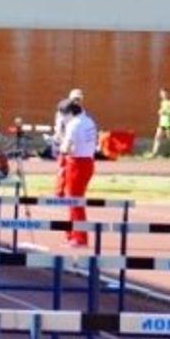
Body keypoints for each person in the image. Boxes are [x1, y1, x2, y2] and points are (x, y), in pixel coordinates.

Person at [60, 101, 97, 248]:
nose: (62, 118)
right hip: (88, 161)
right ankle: (71, 233)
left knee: (75, 201)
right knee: (73, 199)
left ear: (69, 113)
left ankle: (80, 237)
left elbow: (66, 148)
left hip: (77, 163)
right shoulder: (89, 120)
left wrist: (60, 145)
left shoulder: (73, 124)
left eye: (63, 114)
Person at [53, 88, 84, 195]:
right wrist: (63, 142)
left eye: (79, 99)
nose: (77, 101)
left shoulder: (80, 110)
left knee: (74, 168)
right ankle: (59, 191)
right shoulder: (64, 109)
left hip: (74, 143)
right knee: (63, 167)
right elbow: (59, 127)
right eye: (75, 99)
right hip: (64, 141)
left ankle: (70, 190)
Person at [148, 88, 170, 158]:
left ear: (167, 94)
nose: (162, 95)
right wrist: (160, 112)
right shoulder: (162, 102)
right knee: (157, 137)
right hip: (161, 123)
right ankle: (154, 153)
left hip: (169, 123)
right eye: (161, 94)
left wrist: (164, 112)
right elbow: (161, 112)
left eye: (164, 93)